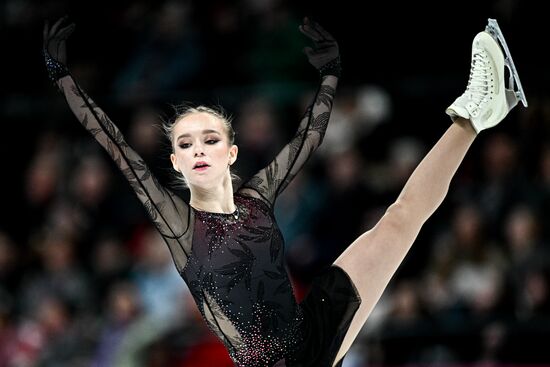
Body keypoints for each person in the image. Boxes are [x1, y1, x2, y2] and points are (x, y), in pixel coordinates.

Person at [43, 15, 526, 367]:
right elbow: (116, 146)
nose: (199, 150)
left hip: (310, 322)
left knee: (399, 219)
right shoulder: (179, 224)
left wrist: (331, 74)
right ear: (175, 163)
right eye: (185, 145)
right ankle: (482, 109)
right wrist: (64, 81)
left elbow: (308, 138)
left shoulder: (255, 197)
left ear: (232, 154)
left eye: (210, 139)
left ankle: (480, 109)